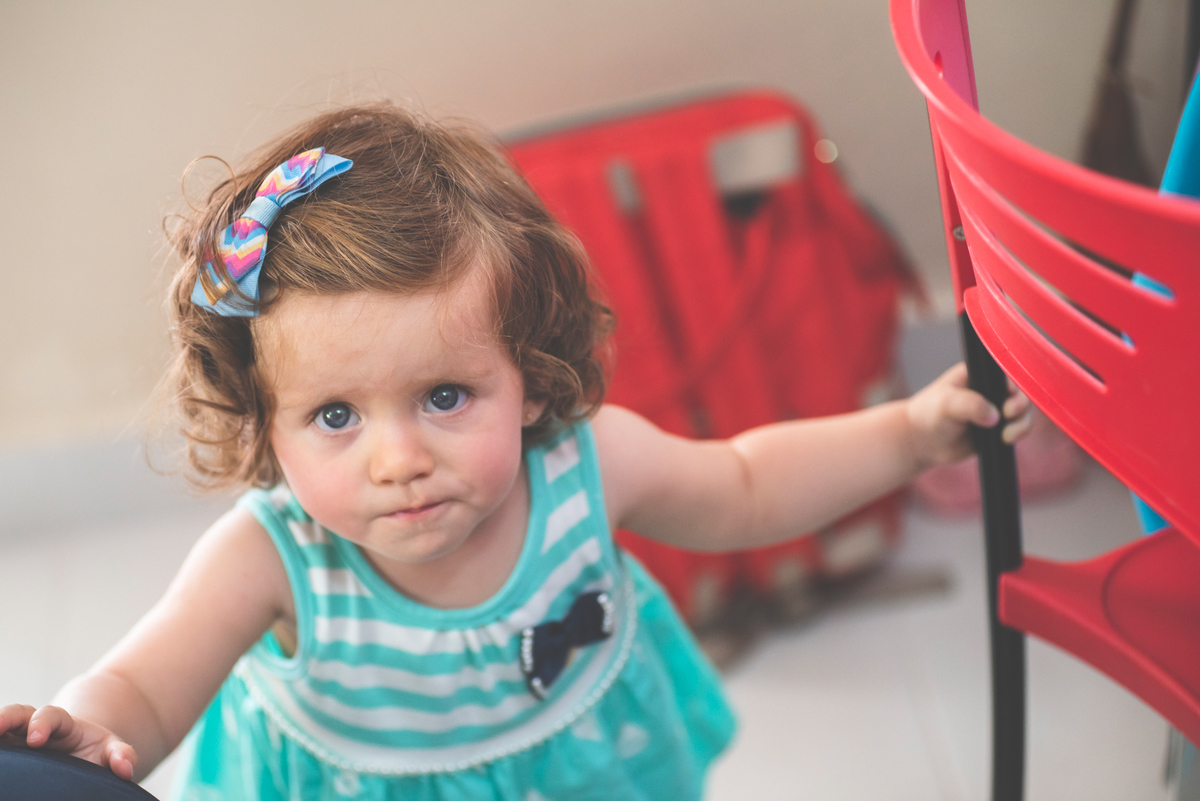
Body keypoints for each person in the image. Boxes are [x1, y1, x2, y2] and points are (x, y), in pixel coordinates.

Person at [0, 102, 1029, 800]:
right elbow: (141, 689)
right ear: (264, 417)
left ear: (531, 374)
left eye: (445, 395)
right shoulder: (269, 558)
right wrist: (84, 730)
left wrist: (906, 432)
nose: (398, 458)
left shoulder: (588, 468)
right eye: (335, 417)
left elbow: (749, 487)